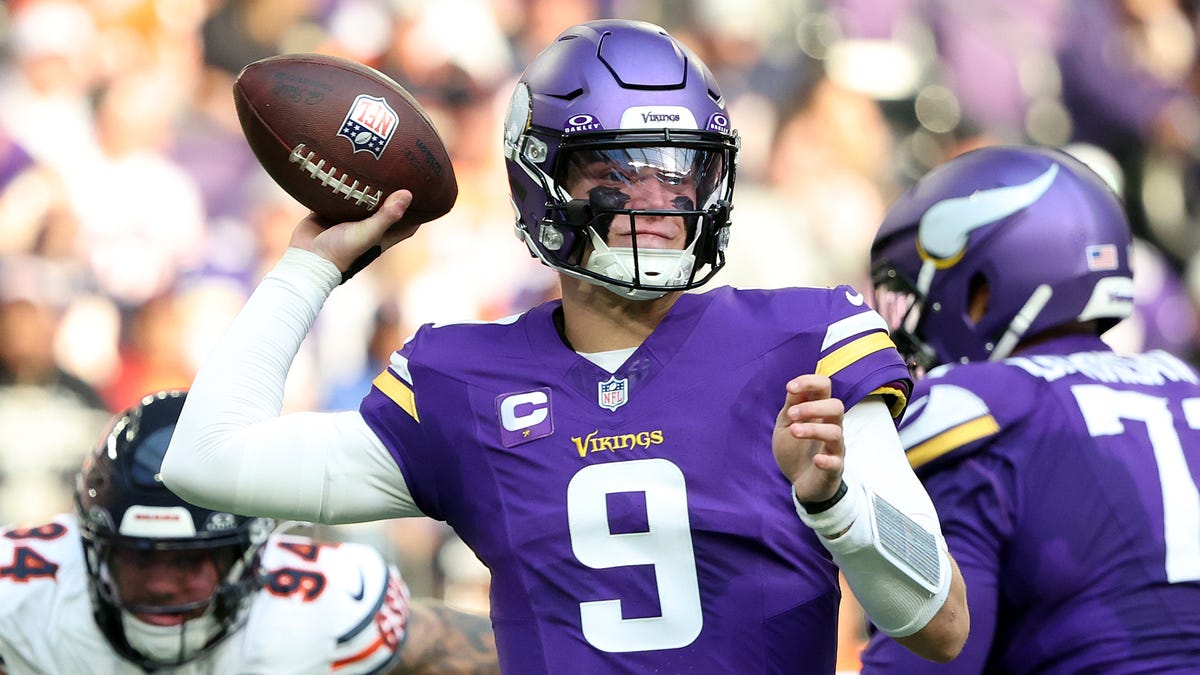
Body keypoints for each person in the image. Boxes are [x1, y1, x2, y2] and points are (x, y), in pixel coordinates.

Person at [161, 19, 968, 672]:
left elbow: (942, 624)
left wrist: (834, 506)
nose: (658, 202)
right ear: (539, 180)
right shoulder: (460, 378)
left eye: (683, 172)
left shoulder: (805, 338)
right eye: (616, 172)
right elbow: (208, 456)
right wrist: (312, 265)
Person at [863, 144, 1200, 672]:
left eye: (912, 300)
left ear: (980, 288)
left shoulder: (975, 409)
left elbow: (928, 662)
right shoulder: (1185, 385)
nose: (909, 331)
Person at [0, 389, 498, 674]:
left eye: (189, 560)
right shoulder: (21, 596)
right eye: (138, 557)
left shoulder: (319, 607)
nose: (161, 583)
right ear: (91, 546)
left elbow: (461, 651)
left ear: (248, 555)